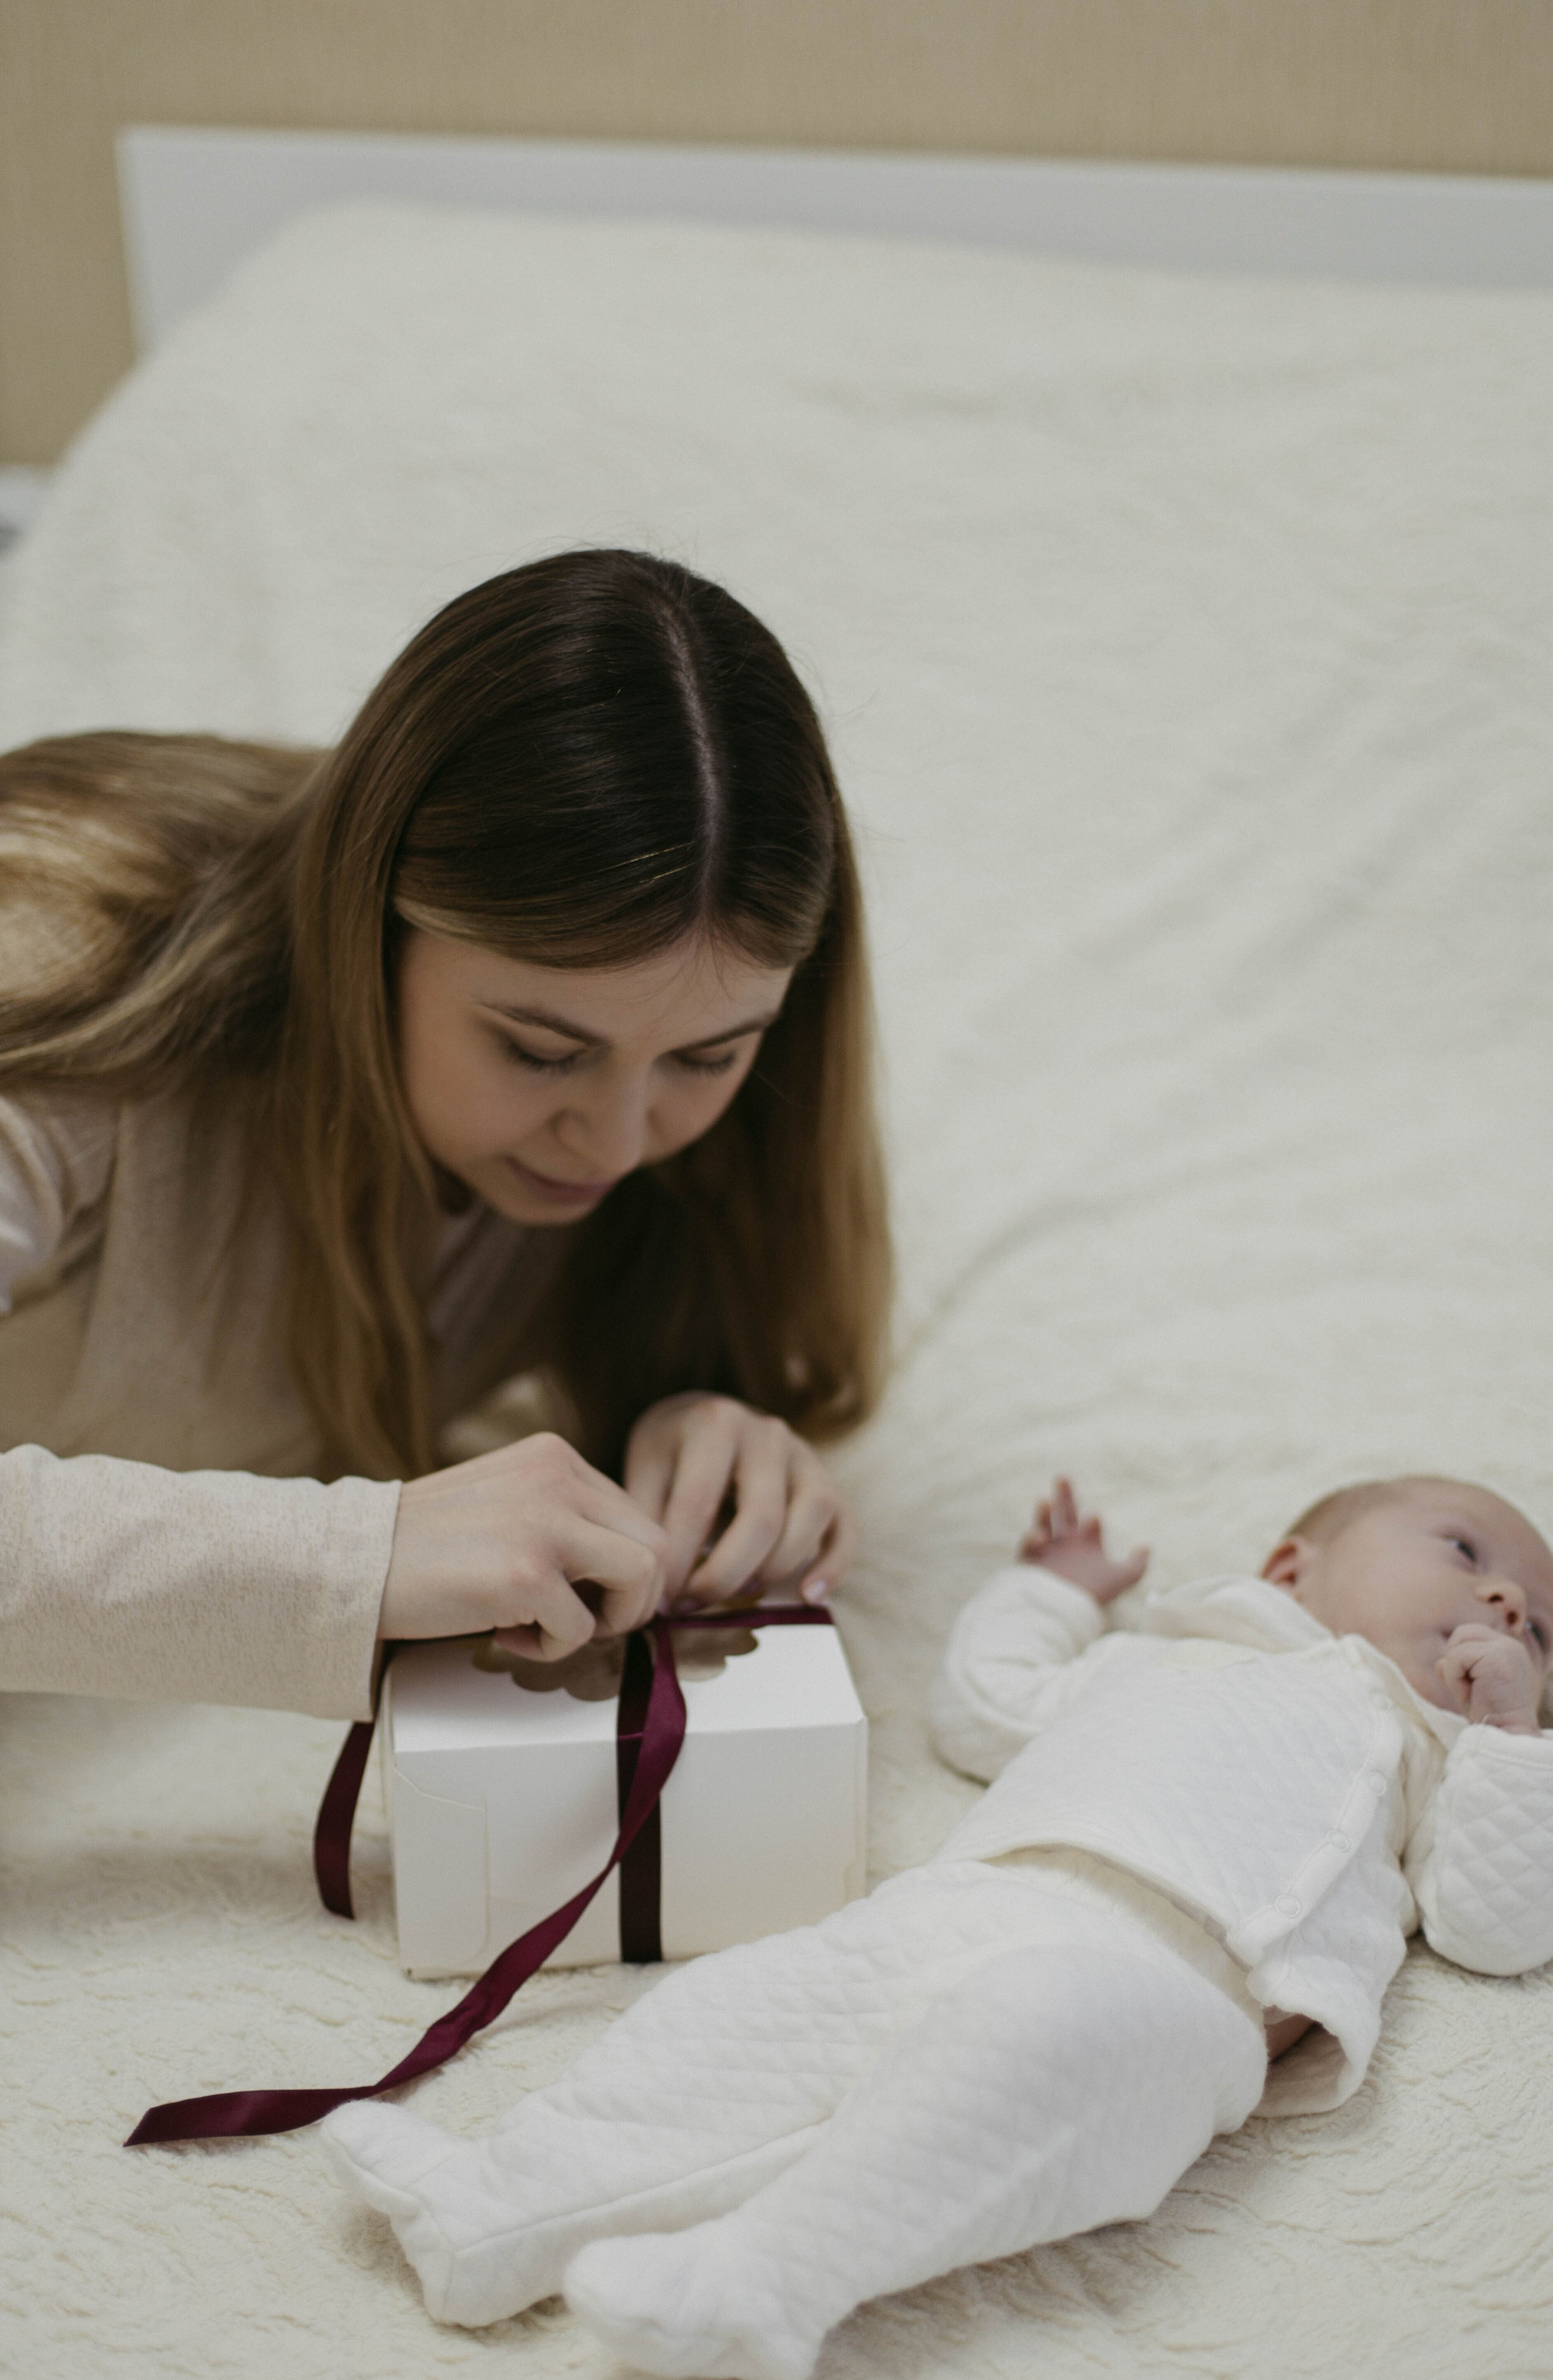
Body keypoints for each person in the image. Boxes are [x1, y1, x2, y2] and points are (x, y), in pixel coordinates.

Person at [322, 1473, 1553, 2380]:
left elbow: (1495, 1927)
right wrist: (1049, 1591)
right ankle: (497, 2207)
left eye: (1530, 1620)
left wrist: (1515, 1744)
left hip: (1183, 2002)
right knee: (754, 2009)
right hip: (985, 1894)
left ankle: (769, 2282)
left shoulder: (1437, 1764)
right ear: (1285, 1571)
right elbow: (984, 1707)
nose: (1498, 1601)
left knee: (1026, 2051)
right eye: (1463, 1547)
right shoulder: (1161, 1655)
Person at [0, 550, 888, 1714]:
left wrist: (684, 1429)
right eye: (539, 1050)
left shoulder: (657, 1132)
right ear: (365, 931)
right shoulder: (60, 979)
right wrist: (352, 1559)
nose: (617, 1143)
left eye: (708, 1058)